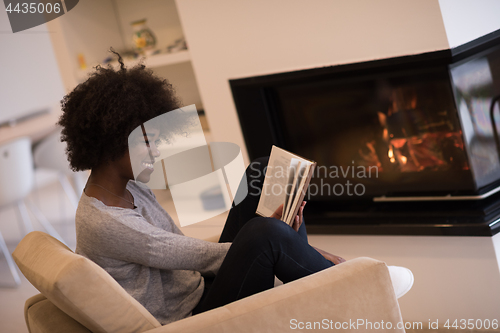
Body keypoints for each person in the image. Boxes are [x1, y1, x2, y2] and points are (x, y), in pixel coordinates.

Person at [58, 52, 345, 325]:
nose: (156, 151)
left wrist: (291, 244)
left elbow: (187, 255)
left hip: (198, 284)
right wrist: (290, 243)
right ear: (112, 142)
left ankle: (309, 271)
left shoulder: (130, 188)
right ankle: (345, 288)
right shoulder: (105, 223)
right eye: (148, 142)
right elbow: (192, 255)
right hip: (193, 317)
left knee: (264, 170)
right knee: (267, 234)